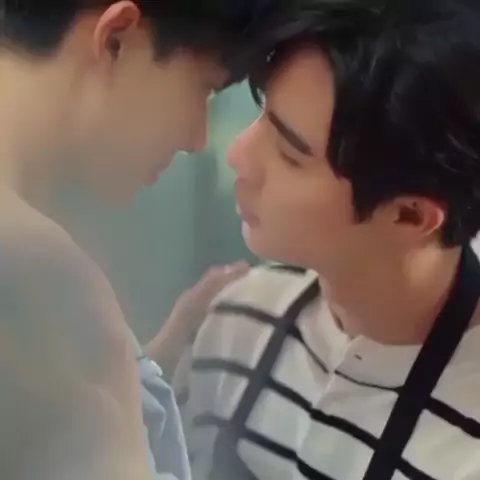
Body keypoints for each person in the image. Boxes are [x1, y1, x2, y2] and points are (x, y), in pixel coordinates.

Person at [174, 1, 480, 479]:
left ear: (410, 216)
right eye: (262, 115)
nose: (238, 155)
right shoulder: (236, 319)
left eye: (290, 154)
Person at [0, 0, 295, 478]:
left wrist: (141, 368)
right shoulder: (34, 274)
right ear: (117, 39)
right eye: (204, 88)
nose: (197, 138)